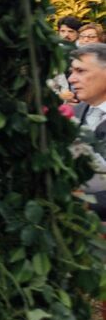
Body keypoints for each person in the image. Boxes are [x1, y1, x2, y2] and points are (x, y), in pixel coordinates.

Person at [69, 44, 106, 219]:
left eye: (80, 71)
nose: (71, 79)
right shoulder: (73, 113)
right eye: (71, 71)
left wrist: (78, 204)